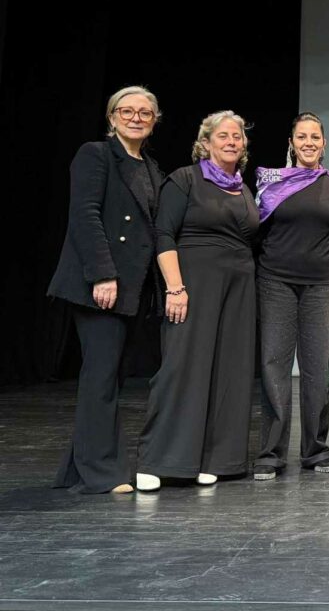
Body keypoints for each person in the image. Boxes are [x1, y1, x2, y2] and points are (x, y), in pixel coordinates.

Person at [135, 111, 259, 491]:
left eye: (237, 136)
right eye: (223, 136)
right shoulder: (185, 179)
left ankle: (218, 458)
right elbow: (163, 234)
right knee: (183, 366)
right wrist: (175, 287)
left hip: (239, 288)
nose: (231, 142)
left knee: (230, 371)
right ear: (205, 143)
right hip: (195, 283)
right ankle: (160, 461)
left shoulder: (243, 188)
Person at [48, 87, 163, 494]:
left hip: (132, 290)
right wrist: (102, 274)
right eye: (127, 111)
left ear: (155, 120)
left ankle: (77, 471)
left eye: (145, 112)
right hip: (101, 285)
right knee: (100, 377)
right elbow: (84, 215)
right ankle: (102, 472)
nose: (136, 117)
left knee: (109, 377)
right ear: (112, 117)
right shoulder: (96, 155)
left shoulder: (150, 167)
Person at [251, 112, 329, 481]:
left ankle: (315, 449)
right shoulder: (270, 181)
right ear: (291, 142)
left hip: (321, 286)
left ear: (325, 143)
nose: (308, 142)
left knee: (316, 370)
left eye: (315, 137)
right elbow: (254, 233)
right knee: (274, 365)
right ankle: (271, 452)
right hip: (275, 282)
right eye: (301, 136)